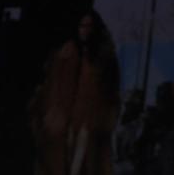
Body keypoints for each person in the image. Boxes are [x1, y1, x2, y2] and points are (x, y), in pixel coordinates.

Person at [30, 10, 121, 175]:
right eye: (82, 26)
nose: (85, 30)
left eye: (88, 26)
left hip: (90, 113)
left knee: (81, 149)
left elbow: (105, 89)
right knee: (70, 148)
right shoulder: (71, 52)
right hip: (72, 113)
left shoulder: (101, 56)